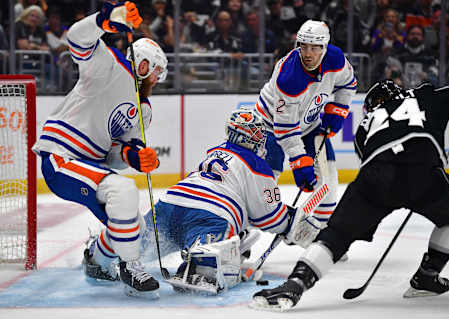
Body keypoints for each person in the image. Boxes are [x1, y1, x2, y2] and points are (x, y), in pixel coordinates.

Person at [250, 78, 449, 311]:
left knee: (336, 234)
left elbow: (370, 157)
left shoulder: (363, 128)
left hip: (373, 176)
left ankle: (296, 282)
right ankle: (427, 275)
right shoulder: (426, 95)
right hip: (419, 168)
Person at [90, 108, 320, 294]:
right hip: (211, 216)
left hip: (171, 203)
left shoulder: (216, 151)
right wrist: (290, 223)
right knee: (207, 270)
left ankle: (99, 254)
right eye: (259, 135)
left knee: (137, 244)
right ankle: (198, 264)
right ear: (250, 137)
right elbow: (269, 216)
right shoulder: (258, 165)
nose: (262, 140)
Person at [31, 1, 168, 298]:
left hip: (90, 166)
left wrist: (136, 156)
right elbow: (78, 39)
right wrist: (104, 20)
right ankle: (130, 266)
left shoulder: (142, 109)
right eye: (156, 72)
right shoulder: (111, 65)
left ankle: (96, 259)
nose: (156, 80)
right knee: (124, 191)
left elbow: (117, 154)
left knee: (137, 228)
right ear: (144, 64)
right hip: (61, 157)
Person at [255, 19, 357, 227]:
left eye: (314, 47)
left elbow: (348, 83)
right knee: (265, 180)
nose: (308, 53)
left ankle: (319, 233)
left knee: (328, 181)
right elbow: (285, 127)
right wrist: (299, 160)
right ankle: (243, 232)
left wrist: (339, 109)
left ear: (325, 47)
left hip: (308, 126)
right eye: (304, 46)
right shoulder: (289, 77)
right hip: (269, 125)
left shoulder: (335, 59)